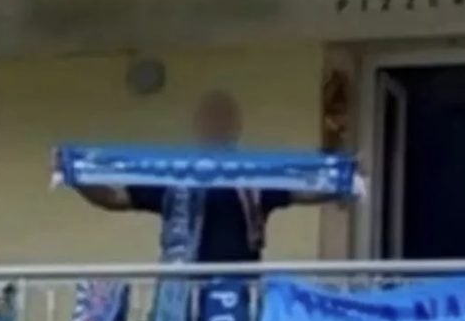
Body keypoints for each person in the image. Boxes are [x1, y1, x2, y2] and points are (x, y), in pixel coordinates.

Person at [73, 90, 347, 262]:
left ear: (236, 128)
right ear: (197, 127)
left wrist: (346, 180)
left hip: (237, 294)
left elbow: (304, 191)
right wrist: (75, 177)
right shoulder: (174, 175)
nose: (216, 126)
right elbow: (114, 198)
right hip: (182, 295)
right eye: (210, 120)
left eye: (223, 120)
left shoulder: (253, 178)